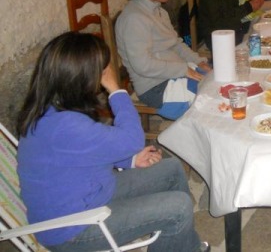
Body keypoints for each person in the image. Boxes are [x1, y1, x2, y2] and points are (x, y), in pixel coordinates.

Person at [16, 32, 209, 252]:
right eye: (101, 69)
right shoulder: (65, 124)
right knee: (178, 208)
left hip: (92, 194)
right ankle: (179, 236)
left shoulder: (51, 109)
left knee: (172, 169)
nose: (104, 74)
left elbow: (89, 150)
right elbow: (132, 140)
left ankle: (184, 245)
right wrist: (116, 90)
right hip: (73, 229)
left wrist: (131, 160)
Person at [116, 0, 210, 108]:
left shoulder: (159, 11)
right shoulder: (134, 19)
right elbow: (143, 65)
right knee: (209, 102)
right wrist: (183, 69)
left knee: (218, 81)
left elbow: (176, 44)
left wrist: (198, 61)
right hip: (155, 87)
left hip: (175, 73)